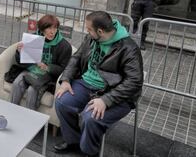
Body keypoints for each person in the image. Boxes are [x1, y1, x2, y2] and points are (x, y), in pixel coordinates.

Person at [54, 11, 143, 156]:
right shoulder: (91, 38)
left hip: (113, 92)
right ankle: (73, 141)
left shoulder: (129, 48)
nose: (87, 31)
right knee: (61, 102)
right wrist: (66, 80)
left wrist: (106, 100)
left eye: (89, 29)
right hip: (86, 83)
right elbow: (76, 59)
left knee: (91, 118)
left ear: (100, 31)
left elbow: (134, 81)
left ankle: (89, 151)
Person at [10, 15, 72, 110]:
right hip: (31, 70)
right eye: (49, 28)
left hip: (48, 76)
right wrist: (19, 52)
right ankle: (12, 111)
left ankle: (30, 119)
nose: (52, 32)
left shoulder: (64, 46)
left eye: (55, 28)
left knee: (32, 90)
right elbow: (20, 61)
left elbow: (64, 69)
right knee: (17, 83)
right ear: (42, 29)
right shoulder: (33, 38)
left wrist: (47, 67)